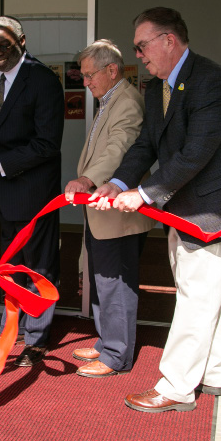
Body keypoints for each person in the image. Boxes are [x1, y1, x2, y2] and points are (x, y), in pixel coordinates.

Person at [90, 7, 221, 411]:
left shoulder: (212, 81)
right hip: (182, 207)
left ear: (170, 40)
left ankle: (176, 387)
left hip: (215, 210)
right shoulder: (155, 87)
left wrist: (143, 193)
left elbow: (195, 153)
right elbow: (146, 146)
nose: (139, 54)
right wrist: (117, 182)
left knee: (196, 297)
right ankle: (214, 373)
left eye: (142, 46)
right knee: (200, 294)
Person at [0, 16, 64, 367]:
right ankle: (17, 330)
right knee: (12, 265)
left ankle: (36, 338)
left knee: (38, 265)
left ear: (21, 41)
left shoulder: (43, 80)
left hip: (33, 190)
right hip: (5, 189)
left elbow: (47, 145)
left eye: (4, 46)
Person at [64, 40, 155, 378]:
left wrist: (87, 179)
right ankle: (106, 343)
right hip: (103, 212)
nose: (85, 82)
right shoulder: (109, 99)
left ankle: (117, 355)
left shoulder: (127, 102)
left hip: (118, 215)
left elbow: (119, 149)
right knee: (102, 281)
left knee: (115, 283)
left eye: (90, 75)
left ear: (112, 70)